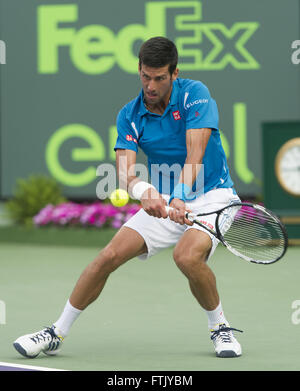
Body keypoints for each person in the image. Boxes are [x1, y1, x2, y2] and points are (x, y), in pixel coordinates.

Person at [13, 37, 243, 359]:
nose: (151, 85)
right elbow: (124, 172)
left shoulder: (195, 95)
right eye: (145, 76)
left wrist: (179, 197)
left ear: (175, 73)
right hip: (165, 198)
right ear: (139, 70)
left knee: (187, 256)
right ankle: (56, 332)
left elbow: (196, 152)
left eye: (160, 78)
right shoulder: (129, 114)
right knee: (108, 256)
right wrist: (144, 191)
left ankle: (220, 327)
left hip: (214, 195)